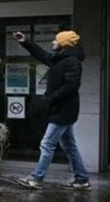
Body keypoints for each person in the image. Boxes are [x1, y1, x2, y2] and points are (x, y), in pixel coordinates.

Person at [13, 30, 89, 190]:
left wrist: (50, 98)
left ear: (63, 44)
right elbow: (42, 55)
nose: (52, 42)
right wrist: (25, 41)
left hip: (64, 111)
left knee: (47, 143)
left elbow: (71, 86)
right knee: (69, 145)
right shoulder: (59, 59)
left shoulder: (72, 61)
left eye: (56, 40)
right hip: (61, 110)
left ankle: (36, 178)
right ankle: (82, 179)